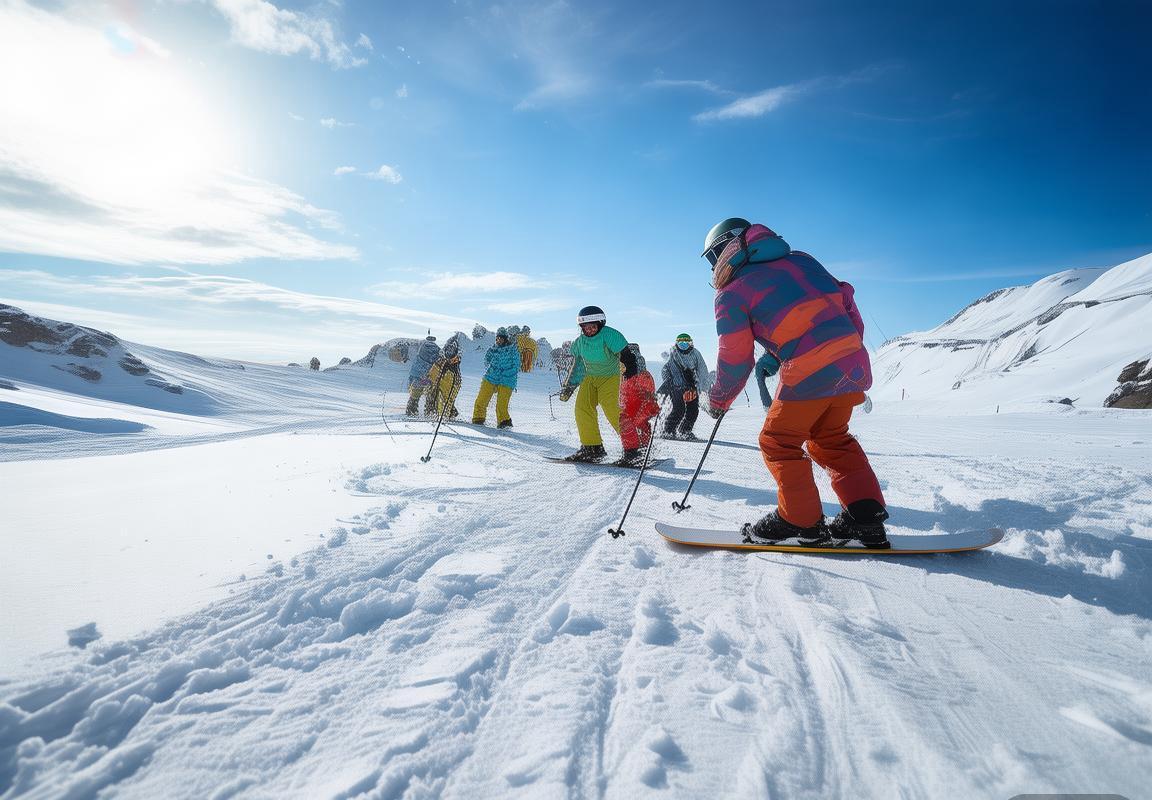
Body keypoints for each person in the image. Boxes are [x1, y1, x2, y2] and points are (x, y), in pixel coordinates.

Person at [702, 217, 889, 548]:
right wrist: (821, 352)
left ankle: (800, 522)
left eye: (713, 258)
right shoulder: (802, 260)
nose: (714, 268)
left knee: (778, 441)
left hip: (809, 371)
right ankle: (865, 517)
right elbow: (845, 303)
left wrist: (718, 401)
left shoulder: (731, 293)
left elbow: (736, 357)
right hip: (851, 365)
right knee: (832, 438)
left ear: (725, 250)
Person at [558, 306, 635, 462]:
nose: (590, 330)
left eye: (593, 326)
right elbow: (578, 366)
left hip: (610, 377)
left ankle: (634, 448)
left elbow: (627, 357)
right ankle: (592, 448)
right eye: (585, 327)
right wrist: (569, 387)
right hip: (590, 377)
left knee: (612, 409)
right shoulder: (580, 342)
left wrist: (630, 377)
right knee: (582, 408)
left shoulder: (609, 335)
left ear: (600, 324)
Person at [658, 333, 712, 441]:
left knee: (693, 410)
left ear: (690, 343)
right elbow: (665, 369)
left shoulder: (695, 354)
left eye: (685, 343)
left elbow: (702, 371)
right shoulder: (673, 354)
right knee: (679, 409)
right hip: (677, 386)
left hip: (692, 385)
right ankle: (668, 431)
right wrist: (669, 381)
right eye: (680, 343)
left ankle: (685, 431)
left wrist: (703, 388)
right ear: (677, 343)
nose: (683, 346)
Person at [617, 343, 661, 466]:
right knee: (641, 425)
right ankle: (644, 449)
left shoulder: (634, 372)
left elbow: (643, 390)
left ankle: (633, 453)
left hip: (641, 405)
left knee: (626, 422)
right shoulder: (641, 372)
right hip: (644, 406)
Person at [472, 327, 519, 428]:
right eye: (497, 338)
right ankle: (478, 419)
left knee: (501, 405)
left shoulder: (512, 349)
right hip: (491, 377)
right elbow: (486, 360)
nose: (499, 340)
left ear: (506, 339)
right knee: (481, 399)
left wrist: (506, 372)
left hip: (507, 380)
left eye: (501, 338)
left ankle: (504, 423)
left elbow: (516, 366)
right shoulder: (493, 349)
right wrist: (492, 367)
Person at [425, 337, 463, 419]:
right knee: (431, 394)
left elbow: (450, 395)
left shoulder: (454, 371)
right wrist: (426, 382)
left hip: (450, 380)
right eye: (448, 350)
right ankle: (431, 414)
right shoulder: (440, 362)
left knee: (446, 399)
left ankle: (445, 415)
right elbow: (431, 375)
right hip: (438, 384)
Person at [406, 335, 441, 417]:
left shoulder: (421, 348)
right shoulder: (438, 349)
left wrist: (412, 379)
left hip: (419, 376)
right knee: (431, 394)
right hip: (431, 376)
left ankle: (411, 410)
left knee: (415, 395)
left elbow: (416, 363)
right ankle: (430, 411)